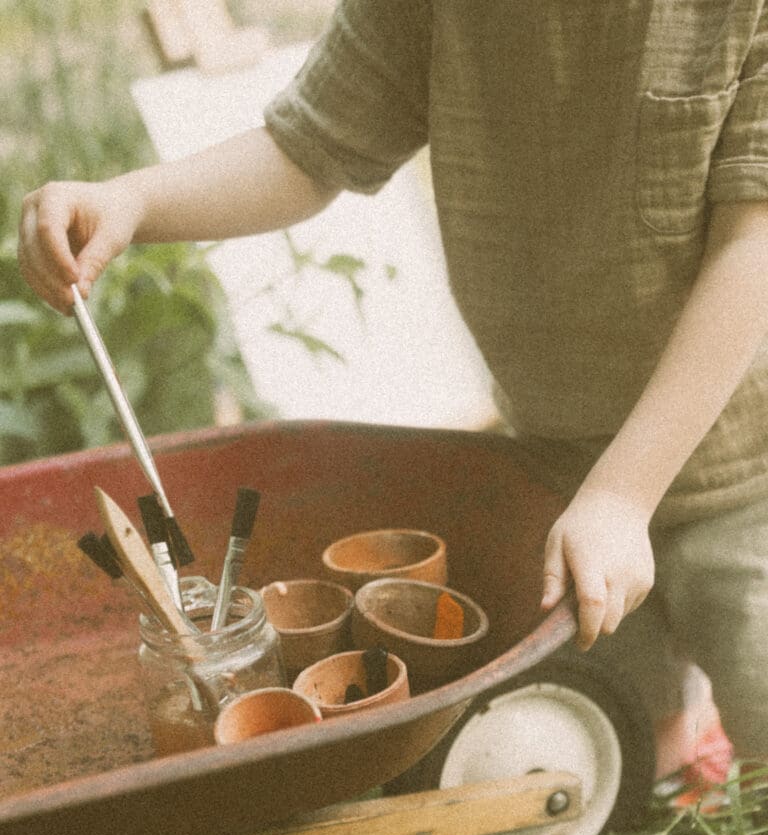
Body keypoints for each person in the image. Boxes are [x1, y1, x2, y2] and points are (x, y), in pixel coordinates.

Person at [18, 1, 768, 772]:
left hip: (746, 469)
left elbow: (755, 245)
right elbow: (306, 150)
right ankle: (675, 750)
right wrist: (134, 202)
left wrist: (624, 494)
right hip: (557, 465)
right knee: (627, 742)